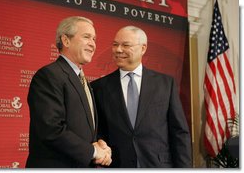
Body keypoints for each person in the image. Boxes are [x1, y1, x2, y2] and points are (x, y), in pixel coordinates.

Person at [91, 26, 192, 168]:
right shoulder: (98, 87)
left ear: (143, 48)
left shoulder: (165, 84)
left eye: (126, 45)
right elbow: (98, 131)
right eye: (115, 45)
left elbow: (179, 132)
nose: (118, 50)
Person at [26, 16, 112, 168]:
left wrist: (100, 145)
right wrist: (92, 151)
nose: (93, 44)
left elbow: (83, 128)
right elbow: (51, 129)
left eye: (94, 39)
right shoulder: (49, 75)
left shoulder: (83, 80)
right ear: (66, 40)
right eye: (86, 37)